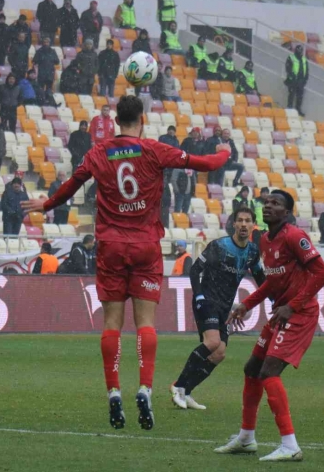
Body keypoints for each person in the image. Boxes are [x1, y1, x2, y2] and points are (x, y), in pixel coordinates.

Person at [21, 95, 232, 431]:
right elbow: (205, 164)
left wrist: (45, 205)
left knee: (112, 324)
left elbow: (72, 186)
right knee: (146, 322)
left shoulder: (98, 152)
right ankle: (145, 388)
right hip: (146, 245)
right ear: (142, 119)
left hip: (111, 247)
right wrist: (224, 152)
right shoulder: (153, 150)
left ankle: (114, 392)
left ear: (116, 121)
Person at [218, 190, 324, 462]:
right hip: (282, 313)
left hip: (299, 314)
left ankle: (290, 445)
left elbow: (322, 273)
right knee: (252, 369)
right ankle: (246, 438)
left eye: (276, 204)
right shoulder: (265, 240)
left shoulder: (295, 236)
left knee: (269, 370)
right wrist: (247, 304)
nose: (269, 206)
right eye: (267, 203)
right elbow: (273, 281)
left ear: (287, 212)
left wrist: (292, 305)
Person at [171, 208, 264, 410]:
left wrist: (275, 298)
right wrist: (200, 296)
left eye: (248, 221)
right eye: (240, 220)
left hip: (224, 307)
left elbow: (261, 279)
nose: (243, 224)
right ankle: (178, 386)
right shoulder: (220, 246)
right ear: (233, 224)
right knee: (212, 342)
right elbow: (195, 269)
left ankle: (186, 391)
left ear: (252, 225)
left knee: (219, 353)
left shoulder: (253, 252)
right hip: (207, 301)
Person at [285, 45, 308, 116]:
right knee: (291, 95)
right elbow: (288, 68)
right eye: (298, 50)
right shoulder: (291, 57)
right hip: (293, 80)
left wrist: (305, 79)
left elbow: (306, 70)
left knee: (300, 96)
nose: (300, 52)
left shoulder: (304, 59)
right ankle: (289, 108)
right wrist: (292, 76)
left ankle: (298, 109)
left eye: (301, 50)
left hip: (301, 81)